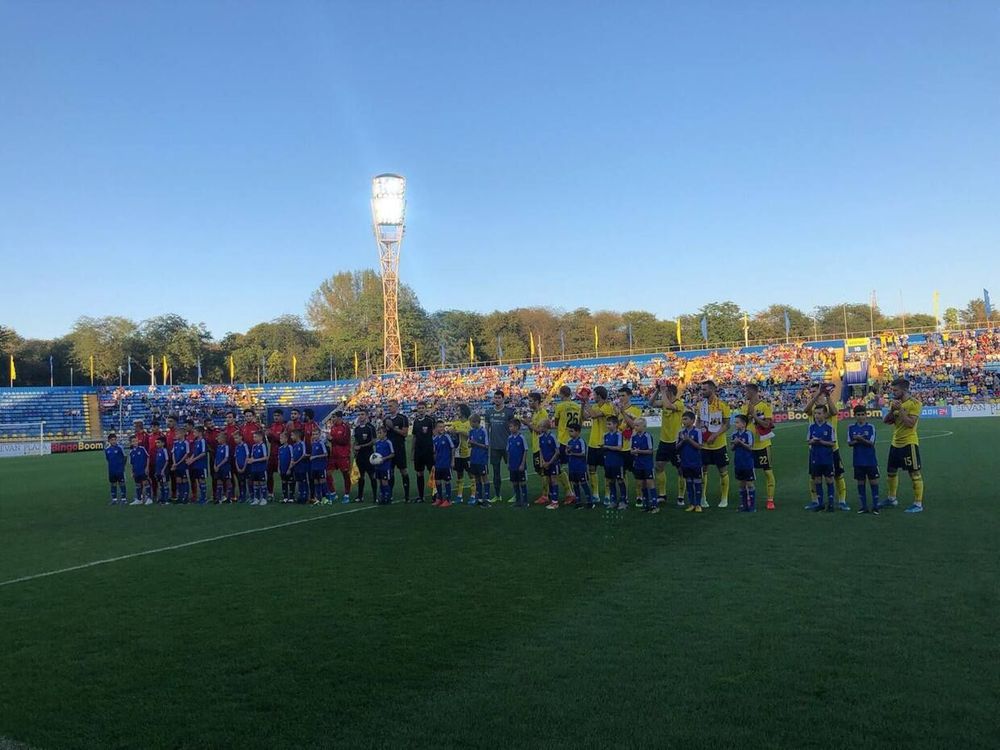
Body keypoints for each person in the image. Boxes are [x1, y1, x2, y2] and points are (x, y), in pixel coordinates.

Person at [804, 384, 850, 511]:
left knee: (838, 475)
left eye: (815, 391)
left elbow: (834, 412)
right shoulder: (813, 408)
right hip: (814, 449)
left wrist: (827, 396)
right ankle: (815, 501)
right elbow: (806, 410)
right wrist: (816, 396)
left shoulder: (828, 406)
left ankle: (842, 501)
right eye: (811, 391)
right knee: (814, 476)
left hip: (832, 448)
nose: (812, 393)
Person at [883, 377, 924, 513]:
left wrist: (900, 409)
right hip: (895, 443)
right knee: (891, 472)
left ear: (904, 390)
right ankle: (891, 499)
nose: (893, 393)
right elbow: (886, 421)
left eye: (895, 390)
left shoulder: (915, 403)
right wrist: (891, 411)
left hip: (909, 443)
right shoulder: (895, 403)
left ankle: (918, 504)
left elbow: (910, 424)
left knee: (914, 473)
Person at [649, 381, 687, 508]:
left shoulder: (679, 404)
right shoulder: (664, 401)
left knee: (681, 470)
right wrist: (657, 390)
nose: (664, 394)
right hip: (664, 441)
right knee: (659, 467)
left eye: (666, 392)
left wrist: (663, 391)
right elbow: (651, 403)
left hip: (676, 442)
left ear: (671, 393)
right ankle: (662, 494)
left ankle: (681, 496)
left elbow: (668, 406)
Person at [696, 380, 731, 509]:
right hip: (704, 445)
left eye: (704, 389)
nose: (702, 391)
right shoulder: (701, 405)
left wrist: (715, 435)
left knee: (723, 471)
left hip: (719, 444)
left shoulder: (722, 405)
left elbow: (727, 424)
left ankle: (724, 498)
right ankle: (703, 497)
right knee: (703, 471)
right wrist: (698, 434)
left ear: (712, 390)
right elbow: (698, 421)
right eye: (702, 389)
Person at [743, 383, 776, 510]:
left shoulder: (765, 406)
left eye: (746, 391)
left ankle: (770, 500)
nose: (745, 393)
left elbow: (767, 424)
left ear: (752, 392)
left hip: (763, 445)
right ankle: (749, 497)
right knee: (748, 473)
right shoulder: (745, 406)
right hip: (749, 446)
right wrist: (748, 415)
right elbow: (742, 424)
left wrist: (754, 415)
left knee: (768, 472)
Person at [582, 385, 615, 504]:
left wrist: (587, 402)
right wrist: (582, 404)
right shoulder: (595, 406)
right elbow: (585, 417)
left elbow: (594, 415)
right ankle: (595, 494)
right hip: (593, 442)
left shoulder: (608, 407)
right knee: (592, 468)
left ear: (599, 396)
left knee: (607, 470)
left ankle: (607, 494)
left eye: (594, 394)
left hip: (604, 443)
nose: (593, 396)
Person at [847, 405, 880, 514]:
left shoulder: (871, 427)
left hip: (870, 460)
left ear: (866, 415)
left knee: (873, 482)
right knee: (860, 483)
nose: (860, 417)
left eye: (862, 414)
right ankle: (863, 507)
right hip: (858, 461)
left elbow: (871, 443)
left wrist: (860, 439)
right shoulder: (851, 428)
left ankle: (875, 506)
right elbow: (849, 443)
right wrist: (858, 440)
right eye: (858, 415)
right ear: (855, 415)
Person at [484, 390, 515, 503]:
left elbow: (513, 429)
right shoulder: (489, 412)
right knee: (496, 472)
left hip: (507, 446)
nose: (496, 400)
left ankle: (516, 494)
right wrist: (487, 443)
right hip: (494, 447)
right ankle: (497, 495)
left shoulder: (509, 412)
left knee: (512, 469)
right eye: (495, 398)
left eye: (499, 398)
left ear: (503, 399)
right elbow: (486, 429)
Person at [613, 387, 643, 507]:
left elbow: (634, 425)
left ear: (630, 396)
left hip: (632, 448)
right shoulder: (616, 411)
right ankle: (624, 497)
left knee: (637, 474)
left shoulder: (636, 410)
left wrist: (623, 413)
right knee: (621, 475)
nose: (621, 398)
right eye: (619, 396)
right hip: (620, 448)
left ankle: (639, 496)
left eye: (623, 395)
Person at [552, 385, 580, 503]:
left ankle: (570, 492)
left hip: (563, 439)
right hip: (575, 439)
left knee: (559, 467)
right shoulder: (577, 406)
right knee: (573, 467)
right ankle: (576, 493)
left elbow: (556, 423)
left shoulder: (560, 406)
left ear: (562, 394)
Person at [807, 404, 837, 512]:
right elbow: (808, 441)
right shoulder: (811, 427)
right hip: (815, 457)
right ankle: (820, 504)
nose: (816, 415)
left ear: (825, 414)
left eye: (819, 413)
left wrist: (821, 442)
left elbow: (833, 443)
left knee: (829, 480)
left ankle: (831, 504)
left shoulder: (829, 428)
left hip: (827, 458)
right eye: (815, 413)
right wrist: (813, 441)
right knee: (817, 480)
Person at [525, 392, 550, 505]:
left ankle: (545, 495)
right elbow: (533, 431)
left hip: (542, 446)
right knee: (539, 470)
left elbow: (541, 430)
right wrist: (528, 424)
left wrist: (528, 424)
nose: (529, 403)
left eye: (530, 401)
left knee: (543, 470)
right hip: (536, 446)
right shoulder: (535, 413)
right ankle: (548, 492)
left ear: (537, 401)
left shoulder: (542, 413)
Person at [384, 399, 411, 502]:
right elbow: (384, 433)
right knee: (390, 472)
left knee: (403, 471)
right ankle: (389, 494)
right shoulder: (386, 419)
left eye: (391, 406)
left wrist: (393, 428)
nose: (389, 408)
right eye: (388, 406)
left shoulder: (402, 418)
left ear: (396, 407)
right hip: (389, 450)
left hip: (399, 448)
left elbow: (405, 433)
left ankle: (407, 495)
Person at [678, 412, 704, 512]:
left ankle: (698, 504)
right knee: (688, 482)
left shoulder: (697, 431)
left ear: (692, 420)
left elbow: (700, 446)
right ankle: (692, 504)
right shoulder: (680, 432)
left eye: (686, 419)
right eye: (683, 419)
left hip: (696, 462)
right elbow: (676, 447)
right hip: (685, 462)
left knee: (697, 482)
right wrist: (682, 441)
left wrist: (688, 439)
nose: (683, 421)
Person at [731, 415, 757, 512]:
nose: (735, 424)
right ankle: (744, 505)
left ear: (744, 424)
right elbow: (732, 448)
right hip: (738, 463)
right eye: (735, 422)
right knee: (741, 484)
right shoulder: (734, 434)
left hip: (748, 463)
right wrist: (735, 444)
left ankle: (752, 506)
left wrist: (740, 442)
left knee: (750, 484)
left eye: (737, 422)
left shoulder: (748, 433)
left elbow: (750, 447)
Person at [411, 401, 436, 503]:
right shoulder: (416, 421)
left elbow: (435, 435)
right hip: (418, 451)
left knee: (432, 472)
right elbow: (414, 437)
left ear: (426, 409)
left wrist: (435, 449)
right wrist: (412, 451)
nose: (421, 410)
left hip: (429, 450)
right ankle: (421, 496)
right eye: (419, 408)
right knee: (419, 473)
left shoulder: (430, 420)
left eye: (422, 408)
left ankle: (435, 495)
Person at [630, 418, 656, 513]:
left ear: (644, 426)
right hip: (638, 464)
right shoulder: (633, 437)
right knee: (642, 484)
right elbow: (631, 450)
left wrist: (639, 451)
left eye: (637, 425)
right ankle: (646, 505)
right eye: (635, 425)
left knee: (650, 483)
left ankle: (654, 505)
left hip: (647, 464)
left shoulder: (647, 436)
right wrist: (633, 452)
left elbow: (650, 451)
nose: (635, 427)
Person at [566, 424, 594, 509]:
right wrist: (567, 450)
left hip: (581, 467)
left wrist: (572, 453)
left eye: (571, 431)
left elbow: (583, 453)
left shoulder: (581, 441)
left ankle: (590, 501)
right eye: (569, 431)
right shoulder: (569, 442)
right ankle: (578, 502)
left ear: (577, 432)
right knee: (575, 484)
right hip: (572, 467)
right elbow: (567, 452)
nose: (570, 433)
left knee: (584, 483)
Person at [327, 411, 352, 504]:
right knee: (327, 473)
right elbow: (333, 441)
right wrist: (329, 439)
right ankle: (333, 493)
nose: (332, 419)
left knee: (345, 474)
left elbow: (345, 441)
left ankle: (347, 495)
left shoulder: (345, 427)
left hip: (343, 455)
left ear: (339, 418)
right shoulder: (333, 428)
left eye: (334, 417)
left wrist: (332, 439)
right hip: (334, 455)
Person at [603, 415, 627, 510]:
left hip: (617, 462)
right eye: (607, 424)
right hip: (608, 462)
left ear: (615, 424)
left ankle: (623, 501)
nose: (607, 426)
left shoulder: (619, 435)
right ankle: (613, 501)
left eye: (609, 424)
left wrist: (607, 447)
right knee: (611, 481)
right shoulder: (605, 435)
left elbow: (619, 447)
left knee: (620, 480)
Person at [468, 414, 492, 507]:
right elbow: (470, 444)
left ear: (476, 422)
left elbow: (486, 446)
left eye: (471, 422)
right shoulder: (471, 431)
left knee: (484, 478)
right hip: (474, 458)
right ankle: (479, 499)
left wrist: (475, 443)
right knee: (477, 478)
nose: (470, 424)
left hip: (482, 459)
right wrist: (470, 444)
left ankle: (487, 499)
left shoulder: (483, 431)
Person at [451, 404, 473, 504]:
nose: (457, 412)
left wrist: (458, 431)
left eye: (459, 410)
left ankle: (473, 495)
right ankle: (459, 496)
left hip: (467, 453)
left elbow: (470, 434)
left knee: (471, 474)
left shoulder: (469, 423)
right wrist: (452, 430)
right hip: (457, 453)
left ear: (463, 411)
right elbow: (451, 430)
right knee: (459, 475)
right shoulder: (456, 422)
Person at [353, 410, 376, 503]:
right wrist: (354, 448)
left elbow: (373, 441)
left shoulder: (370, 427)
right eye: (359, 414)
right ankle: (360, 496)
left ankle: (375, 496)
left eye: (362, 414)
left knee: (372, 476)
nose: (360, 416)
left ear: (366, 416)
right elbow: (356, 441)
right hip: (360, 456)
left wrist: (361, 446)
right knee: (360, 476)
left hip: (369, 455)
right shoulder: (357, 429)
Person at [538, 419, 561, 510]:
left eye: (541, 426)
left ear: (546, 427)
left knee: (554, 480)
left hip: (553, 462)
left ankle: (555, 502)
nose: (539, 428)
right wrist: (543, 461)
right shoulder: (541, 437)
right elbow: (541, 450)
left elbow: (557, 452)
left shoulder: (552, 437)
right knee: (549, 480)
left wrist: (549, 462)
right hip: (546, 463)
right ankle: (552, 499)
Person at [432, 420, 455, 507]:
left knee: (447, 481)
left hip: (446, 464)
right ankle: (439, 499)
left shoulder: (447, 437)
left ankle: (448, 500)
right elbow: (435, 452)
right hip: (438, 464)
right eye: (440, 427)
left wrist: (452, 461)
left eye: (443, 427)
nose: (442, 428)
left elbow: (452, 448)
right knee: (437, 482)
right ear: (436, 428)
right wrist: (434, 463)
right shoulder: (434, 439)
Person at [507, 417, 528, 507]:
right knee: (514, 483)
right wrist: (508, 463)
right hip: (513, 465)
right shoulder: (509, 438)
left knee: (522, 483)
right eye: (509, 427)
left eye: (511, 426)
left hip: (520, 465)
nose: (510, 428)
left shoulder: (521, 437)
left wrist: (522, 464)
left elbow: (525, 450)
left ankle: (525, 502)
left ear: (517, 427)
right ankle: (518, 501)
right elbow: (508, 451)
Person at [372, 425, 395, 505]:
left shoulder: (388, 442)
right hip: (378, 467)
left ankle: (387, 497)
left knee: (385, 482)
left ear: (385, 433)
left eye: (380, 433)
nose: (379, 434)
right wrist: (374, 461)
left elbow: (392, 454)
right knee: (380, 482)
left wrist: (384, 458)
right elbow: (376, 454)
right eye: (378, 433)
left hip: (386, 466)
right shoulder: (377, 443)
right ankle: (382, 497)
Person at [266, 409, 286, 497]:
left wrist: (272, 434)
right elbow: (270, 441)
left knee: (282, 474)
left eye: (278, 415)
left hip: (281, 454)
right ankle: (270, 493)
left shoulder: (284, 426)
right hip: (272, 454)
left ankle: (285, 493)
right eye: (275, 416)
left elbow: (282, 440)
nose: (276, 417)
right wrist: (268, 436)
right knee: (269, 474)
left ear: (282, 416)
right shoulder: (272, 426)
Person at [187, 425, 209, 505]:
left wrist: (193, 460)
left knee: (202, 480)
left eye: (195, 432)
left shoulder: (202, 441)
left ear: (200, 433)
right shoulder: (196, 441)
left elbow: (203, 453)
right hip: (196, 464)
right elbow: (194, 452)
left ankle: (204, 498)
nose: (194, 433)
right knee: (199, 480)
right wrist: (190, 460)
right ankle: (201, 497)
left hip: (202, 464)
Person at [128, 435, 151, 505]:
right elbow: (132, 463)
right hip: (136, 471)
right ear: (131, 443)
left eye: (136, 441)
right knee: (138, 485)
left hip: (143, 470)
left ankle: (149, 498)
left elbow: (148, 457)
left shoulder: (142, 448)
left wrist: (147, 467)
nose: (135, 442)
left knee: (146, 483)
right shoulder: (131, 452)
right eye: (133, 441)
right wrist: (132, 472)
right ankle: (139, 499)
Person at [105, 433, 127, 505]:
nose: (114, 441)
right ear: (109, 441)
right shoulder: (107, 449)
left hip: (120, 470)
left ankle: (124, 499)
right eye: (112, 440)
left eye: (115, 440)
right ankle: (114, 500)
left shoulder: (120, 447)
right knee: (113, 484)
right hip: (111, 470)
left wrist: (122, 466)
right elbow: (108, 459)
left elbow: (125, 456)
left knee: (122, 483)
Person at [249, 431, 269, 506]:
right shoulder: (254, 446)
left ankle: (264, 498)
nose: (254, 438)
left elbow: (265, 457)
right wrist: (249, 460)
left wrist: (254, 460)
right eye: (253, 437)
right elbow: (252, 456)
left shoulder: (263, 445)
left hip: (261, 468)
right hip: (254, 468)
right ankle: (256, 498)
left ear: (261, 437)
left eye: (255, 437)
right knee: (255, 483)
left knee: (262, 483)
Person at [288, 429, 308, 503]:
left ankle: (305, 496)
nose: (291, 437)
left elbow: (304, 455)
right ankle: (300, 496)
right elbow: (293, 456)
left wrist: (296, 462)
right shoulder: (294, 445)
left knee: (303, 481)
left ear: (297, 436)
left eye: (292, 435)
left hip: (302, 466)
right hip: (296, 467)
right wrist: (292, 464)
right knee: (299, 481)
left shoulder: (302, 444)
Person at [308, 429, 327, 506]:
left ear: (319, 435)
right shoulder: (313, 443)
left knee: (322, 481)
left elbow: (325, 454)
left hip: (321, 466)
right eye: (313, 434)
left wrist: (315, 457)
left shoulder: (321, 443)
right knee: (316, 482)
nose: (314, 436)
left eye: (316, 434)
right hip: (314, 466)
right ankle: (318, 498)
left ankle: (324, 498)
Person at [172, 429, 190, 503]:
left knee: (184, 480)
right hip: (176, 465)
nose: (176, 435)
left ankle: (185, 497)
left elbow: (187, 454)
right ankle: (180, 496)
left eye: (177, 434)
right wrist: (174, 463)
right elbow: (173, 453)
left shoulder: (186, 443)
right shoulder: (175, 443)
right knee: (178, 480)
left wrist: (179, 462)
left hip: (183, 465)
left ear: (182, 434)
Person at [214, 434, 232, 503]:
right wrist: (215, 465)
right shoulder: (218, 447)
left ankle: (229, 498)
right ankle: (219, 499)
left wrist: (218, 466)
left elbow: (226, 458)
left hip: (225, 467)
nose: (217, 440)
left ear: (223, 439)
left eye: (219, 438)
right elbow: (216, 457)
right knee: (219, 482)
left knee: (228, 482)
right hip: (218, 468)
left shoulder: (226, 447)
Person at [233, 431, 249, 503]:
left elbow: (247, 456)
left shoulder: (245, 445)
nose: (235, 440)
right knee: (240, 481)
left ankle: (247, 495)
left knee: (246, 481)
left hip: (245, 467)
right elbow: (236, 458)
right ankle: (242, 495)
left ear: (241, 437)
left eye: (236, 438)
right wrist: (237, 467)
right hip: (238, 467)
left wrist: (244, 467)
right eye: (234, 438)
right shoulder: (236, 447)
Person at [153, 436, 170, 504]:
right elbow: (157, 462)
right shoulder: (158, 451)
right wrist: (156, 471)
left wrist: (163, 470)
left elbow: (167, 461)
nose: (157, 444)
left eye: (158, 442)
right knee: (161, 485)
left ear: (163, 443)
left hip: (164, 471)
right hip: (158, 471)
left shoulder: (164, 450)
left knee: (165, 484)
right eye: (156, 443)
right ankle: (162, 498)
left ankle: (166, 499)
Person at [278, 431, 293, 504]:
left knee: (290, 482)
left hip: (288, 468)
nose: (280, 440)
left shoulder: (290, 447)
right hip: (282, 469)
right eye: (280, 438)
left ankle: (291, 497)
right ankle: (285, 497)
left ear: (286, 439)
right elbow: (279, 460)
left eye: (281, 438)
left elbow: (292, 458)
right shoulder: (280, 448)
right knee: (284, 482)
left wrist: (289, 468)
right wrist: (278, 468)